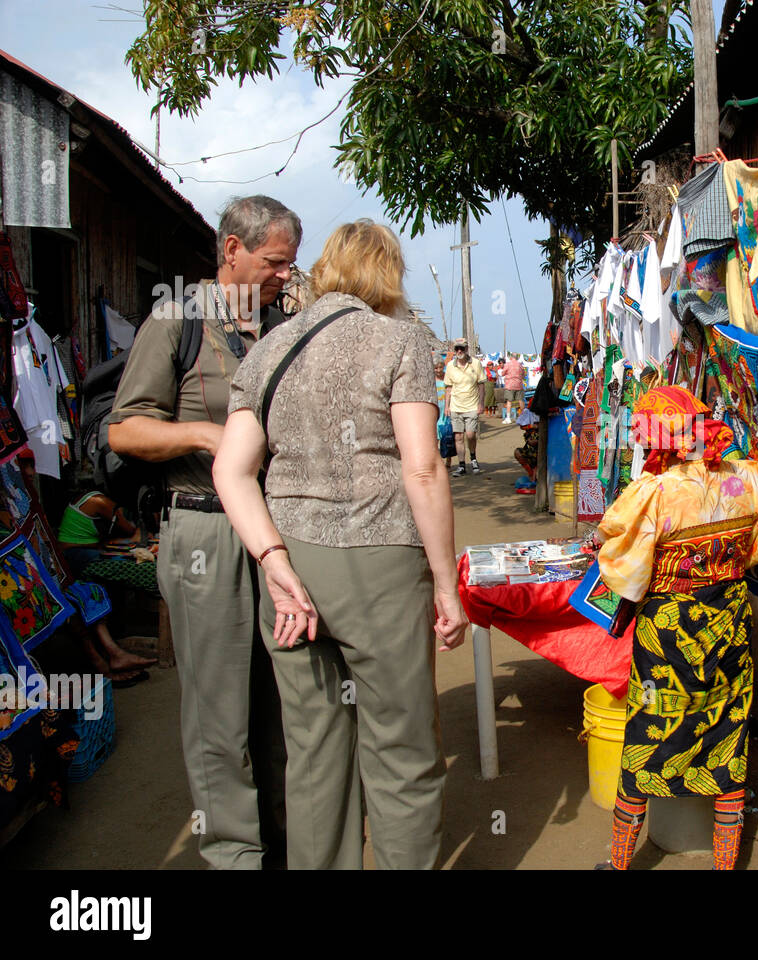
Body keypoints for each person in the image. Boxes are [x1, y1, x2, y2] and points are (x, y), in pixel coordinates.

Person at [213, 219, 468, 870]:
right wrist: (445, 584)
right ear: (387, 276)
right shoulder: (399, 340)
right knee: (401, 751)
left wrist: (272, 559)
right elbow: (421, 468)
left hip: (293, 570)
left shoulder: (268, 350)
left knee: (314, 754)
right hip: (380, 563)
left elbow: (231, 469)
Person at [106, 194, 296, 870]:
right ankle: (233, 855)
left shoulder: (279, 326)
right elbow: (124, 427)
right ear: (232, 251)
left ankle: (279, 842)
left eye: (290, 266)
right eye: (274, 263)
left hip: (273, 532)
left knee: (282, 703)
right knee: (219, 711)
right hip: (204, 534)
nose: (283, 275)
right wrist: (203, 433)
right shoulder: (177, 319)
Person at [593, 385, 758, 871]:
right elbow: (757, 551)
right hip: (729, 621)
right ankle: (725, 864)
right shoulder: (748, 479)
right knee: (730, 730)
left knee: (649, 730)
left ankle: (620, 863)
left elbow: (625, 569)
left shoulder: (655, 491)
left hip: (669, 632)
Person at [55, 489, 158, 685]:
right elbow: (131, 531)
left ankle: (113, 653)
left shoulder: (95, 499)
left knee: (95, 588)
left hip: (82, 553)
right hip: (74, 556)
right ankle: (109, 658)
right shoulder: (100, 502)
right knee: (109, 576)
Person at [445, 337, 486, 476]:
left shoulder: (476, 364)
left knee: (470, 434)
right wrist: (447, 406)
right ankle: (461, 465)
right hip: (456, 406)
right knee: (458, 437)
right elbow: (448, 387)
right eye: (457, 348)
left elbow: (481, 385)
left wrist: (481, 403)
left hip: (472, 405)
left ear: (467, 349)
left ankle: (473, 458)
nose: (459, 351)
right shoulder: (450, 366)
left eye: (462, 348)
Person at [501, 352, 526, 423]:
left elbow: (503, 373)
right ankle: (523, 417)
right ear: (517, 357)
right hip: (519, 385)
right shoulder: (520, 365)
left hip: (509, 385)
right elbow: (524, 375)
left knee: (509, 401)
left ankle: (508, 418)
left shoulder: (508, 364)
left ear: (511, 357)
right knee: (521, 400)